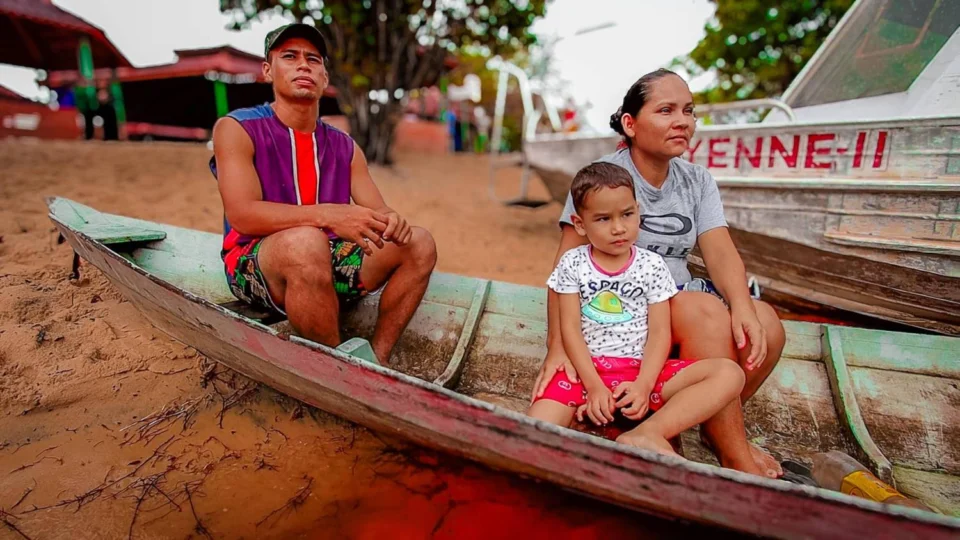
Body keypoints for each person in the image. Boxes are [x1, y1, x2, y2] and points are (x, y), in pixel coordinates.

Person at [533, 69, 786, 478]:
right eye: (666, 110)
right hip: (629, 307)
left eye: (688, 111)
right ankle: (735, 454)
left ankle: (707, 425)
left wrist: (742, 305)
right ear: (630, 124)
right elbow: (566, 266)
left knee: (767, 324)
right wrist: (556, 346)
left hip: (679, 295)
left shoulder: (697, 180)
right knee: (705, 312)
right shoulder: (604, 180)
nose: (682, 121)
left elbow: (721, 252)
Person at [210, 23, 437, 363]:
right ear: (268, 71)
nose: (304, 65)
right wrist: (329, 216)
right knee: (306, 242)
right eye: (290, 57)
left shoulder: (345, 146)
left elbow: (380, 212)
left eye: (313, 59)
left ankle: (377, 360)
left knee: (419, 242)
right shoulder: (238, 128)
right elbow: (243, 215)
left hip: (327, 258)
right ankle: (337, 370)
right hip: (254, 263)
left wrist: (392, 221)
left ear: (325, 77)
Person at [527, 163, 745, 458]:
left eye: (627, 214)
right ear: (580, 224)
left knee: (729, 373)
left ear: (638, 211)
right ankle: (587, 418)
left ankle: (649, 432)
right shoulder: (572, 264)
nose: (618, 228)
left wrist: (644, 385)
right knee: (533, 431)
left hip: (640, 372)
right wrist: (594, 387)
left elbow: (660, 333)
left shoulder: (651, 265)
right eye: (603, 219)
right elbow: (570, 330)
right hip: (584, 372)